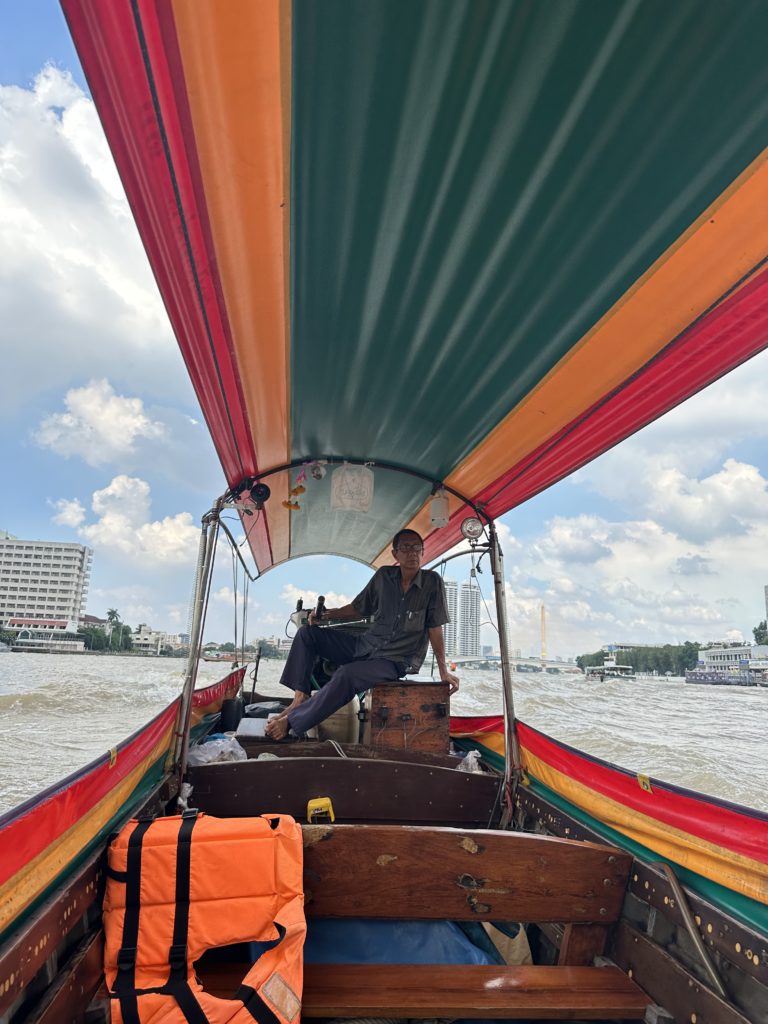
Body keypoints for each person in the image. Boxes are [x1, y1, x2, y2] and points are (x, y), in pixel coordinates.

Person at [265, 529, 460, 740]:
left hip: (394, 660)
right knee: (307, 634)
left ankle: (293, 722)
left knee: (346, 674)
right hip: (364, 645)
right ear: (395, 554)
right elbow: (358, 608)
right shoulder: (384, 576)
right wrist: (327, 616)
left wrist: (443, 670)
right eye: (405, 547)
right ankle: (299, 699)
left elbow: (435, 627)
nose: (412, 552)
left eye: (417, 548)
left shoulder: (432, 583)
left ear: (423, 552)